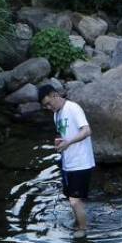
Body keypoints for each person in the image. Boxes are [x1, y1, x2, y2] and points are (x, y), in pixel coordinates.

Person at [37, 85, 94, 234]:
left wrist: (68, 142)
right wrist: (60, 141)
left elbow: (87, 130)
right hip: (68, 163)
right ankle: (79, 222)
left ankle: (83, 230)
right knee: (72, 199)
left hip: (81, 162)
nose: (49, 107)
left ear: (55, 94)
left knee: (74, 200)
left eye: (49, 103)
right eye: (45, 106)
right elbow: (65, 135)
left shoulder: (73, 108)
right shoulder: (56, 114)